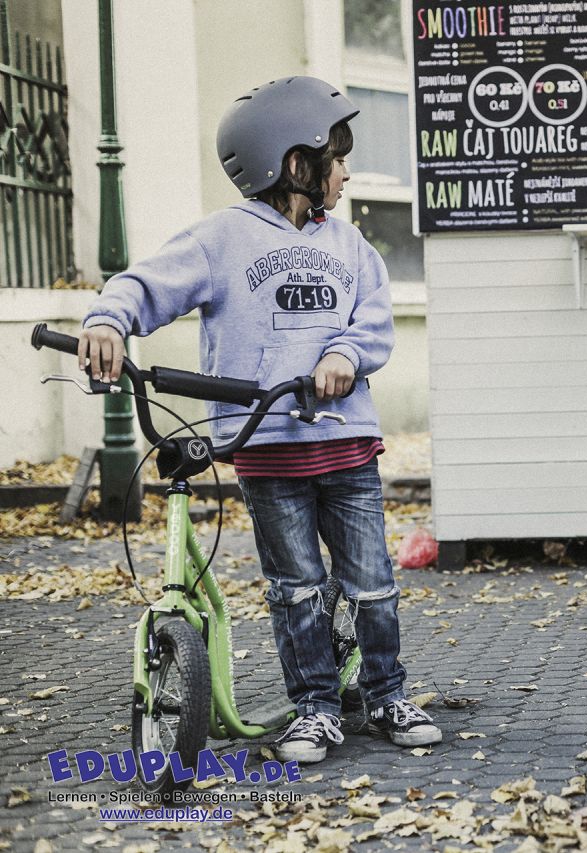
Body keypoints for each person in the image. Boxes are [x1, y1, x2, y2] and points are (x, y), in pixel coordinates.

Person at [77, 76, 441, 763]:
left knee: (372, 584)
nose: (346, 173)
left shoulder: (351, 246)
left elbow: (373, 322)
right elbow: (145, 283)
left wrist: (344, 353)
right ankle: (316, 708)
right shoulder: (220, 239)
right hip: (267, 451)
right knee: (296, 589)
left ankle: (386, 692)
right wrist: (108, 319)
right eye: (337, 158)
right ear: (295, 163)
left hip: (346, 446)